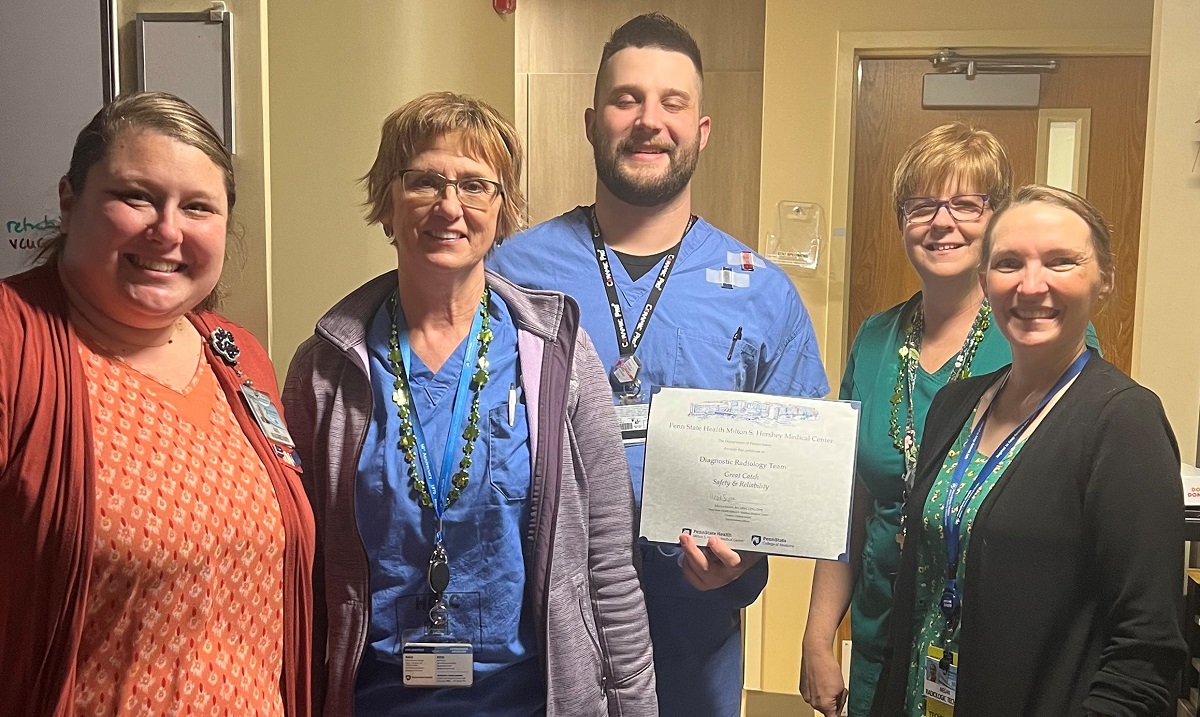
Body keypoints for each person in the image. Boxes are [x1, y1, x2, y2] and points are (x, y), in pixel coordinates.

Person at [489, 13, 828, 717]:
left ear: (701, 130)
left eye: (673, 103)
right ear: (591, 122)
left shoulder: (763, 294)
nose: (650, 120)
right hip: (538, 645)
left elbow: (794, 485)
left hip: (692, 650)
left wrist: (745, 558)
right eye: (626, 99)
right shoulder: (510, 276)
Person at [282, 91, 656, 717]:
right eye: (424, 181)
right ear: (387, 202)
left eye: (475, 186)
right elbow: (297, 569)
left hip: (528, 700)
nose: (449, 206)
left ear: (501, 210)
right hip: (376, 699)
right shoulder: (325, 369)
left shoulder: (559, 358)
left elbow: (610, 566)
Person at [0, 92, 315, 716]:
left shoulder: (237, 355)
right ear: (69, 201)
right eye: (135, 196)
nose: (167, 229)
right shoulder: (14, 343)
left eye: (198, 207)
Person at [870, 185, 1186, 716]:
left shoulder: (1122, 423)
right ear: (985, 281)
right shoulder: (954, 406)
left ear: (1103, 278)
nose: (1031, 285)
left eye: (1061, 262)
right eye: (1009, 263)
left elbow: (1146, 655)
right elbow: (914, 604)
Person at [800, 123, 1019, 717]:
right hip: (880, 646)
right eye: (922, 205)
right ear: (902, 222)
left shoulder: (1032, 339)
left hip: (992, 658)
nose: (942, 222)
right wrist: (821, 637)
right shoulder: (875, 339)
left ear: (997, 218)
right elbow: (851, 505)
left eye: (966, 204)